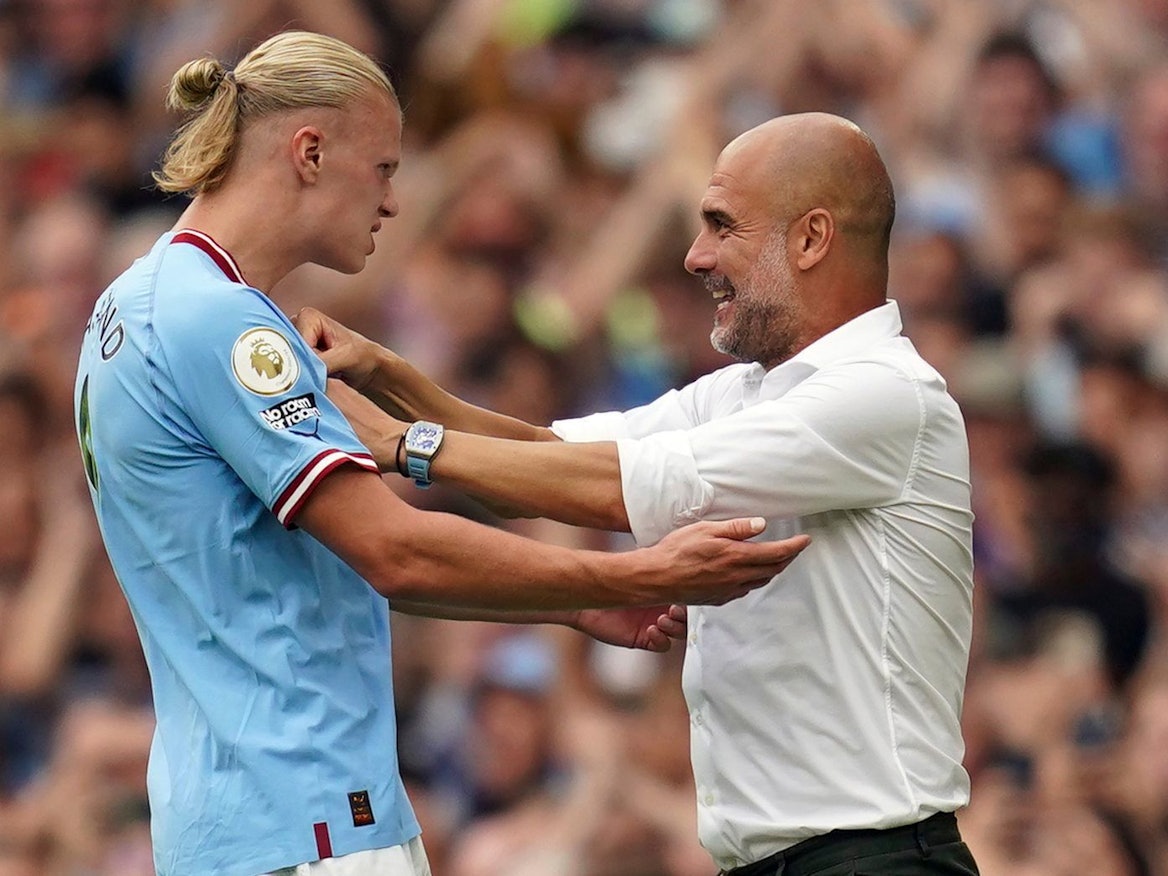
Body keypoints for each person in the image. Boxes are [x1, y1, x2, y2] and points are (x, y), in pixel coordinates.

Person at [72, 31, 812, 876]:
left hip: (223, 817)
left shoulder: (128, 304)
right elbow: (395, 550)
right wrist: (636, 575)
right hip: (309, 818)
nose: (394, 203)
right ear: (310, 152)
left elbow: (304, 580)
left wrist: (562, 605)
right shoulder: (223, 322)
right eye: (385, 169)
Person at [299, 112, 982, 875]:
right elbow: (549, 455)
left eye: (723, 227)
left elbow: (620, 490)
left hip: (878, 861)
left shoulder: (886, 395)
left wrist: (406, 446)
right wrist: (388, 377)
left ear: (812, 239)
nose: (697, 257)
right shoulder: (743, 394)